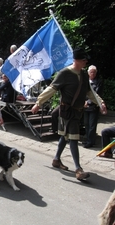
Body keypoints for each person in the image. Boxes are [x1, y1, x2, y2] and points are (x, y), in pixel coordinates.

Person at [31, 48, 107, 181]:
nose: (86, 61)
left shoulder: (84, 75)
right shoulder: (65, 73)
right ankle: (78, 169)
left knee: (65, 137)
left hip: (77, 112)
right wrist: (39, 102)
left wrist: (101, 103)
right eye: (84, 59)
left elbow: (90, 93)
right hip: (67, 111)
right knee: (73, 138)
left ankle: (56, 159)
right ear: (77, 60)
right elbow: (52, 89)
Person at [83, 65, 103, 148]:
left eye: (94, 72)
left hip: (93, 106)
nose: (93, 74)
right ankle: (88, 139)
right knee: (86, 124)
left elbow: (97, 94)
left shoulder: (99, 82)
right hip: (85, 106)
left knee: (92, 125)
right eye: (91, 72)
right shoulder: (85, 81)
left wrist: (88, 102)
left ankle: (91, 141)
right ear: (88, 73)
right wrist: (83, 102)